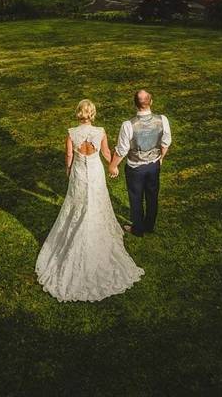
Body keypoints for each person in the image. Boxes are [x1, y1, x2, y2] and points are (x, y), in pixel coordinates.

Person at [35, 99, 144, 302]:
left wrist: (68, 169)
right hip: (94, 171)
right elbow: (104, 152)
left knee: (77, 203)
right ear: (92, 114)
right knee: (96, 201)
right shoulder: (100, 131)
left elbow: (69, 155)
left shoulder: (71, 133)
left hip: (79, 171)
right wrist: (113, 165)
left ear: (79, 113)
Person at [108, 90, 172, 237]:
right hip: (154, 165)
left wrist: (113, 165)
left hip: (135, 168)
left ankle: (138, 229)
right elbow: (166, 142)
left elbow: (122, 149)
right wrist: (161, 157)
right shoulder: (162, 120)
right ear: (151, 101)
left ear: (135, 104)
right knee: (152, 196)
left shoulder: (128, 125)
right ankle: (149, 226)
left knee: (136, 197)